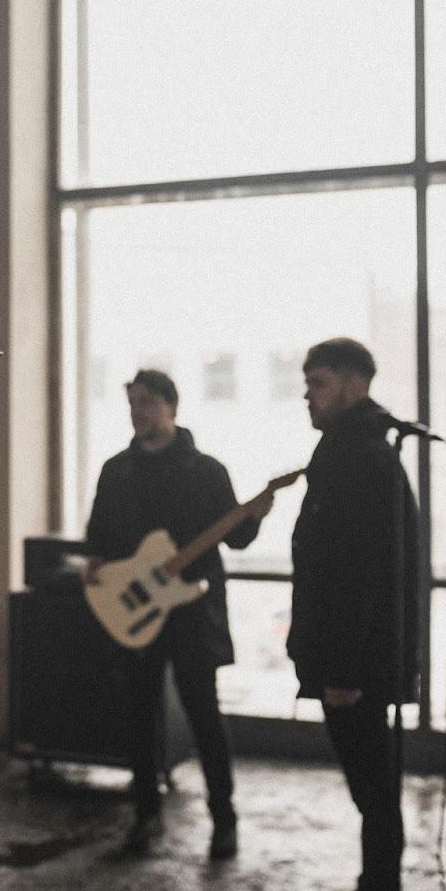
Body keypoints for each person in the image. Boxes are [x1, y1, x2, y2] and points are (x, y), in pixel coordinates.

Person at [84, 369, 274, 860]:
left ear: (172, 405)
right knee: (139, 717)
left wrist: (254, 514)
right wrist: (96, 566)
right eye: (132, 403)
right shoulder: (115, 470)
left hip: (194, 610)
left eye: (147, 402)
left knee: (204, 714)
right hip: (135, 607)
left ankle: (224, 822)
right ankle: (145, 817)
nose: (138, 411)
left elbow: (236, 537)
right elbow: (98, 537)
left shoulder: (206, 470)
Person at [284, 339, 419, 891]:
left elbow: (360, 574)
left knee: (377, 804)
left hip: (355, 671)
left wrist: (342, 671)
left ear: (356, 384)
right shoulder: (354, 452)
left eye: (319, 383)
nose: (308, 394)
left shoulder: (361, 457)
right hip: (355, 664)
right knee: (374, 801)